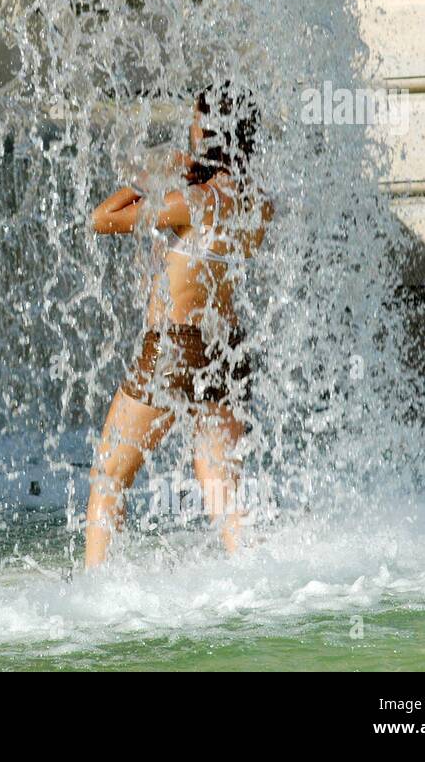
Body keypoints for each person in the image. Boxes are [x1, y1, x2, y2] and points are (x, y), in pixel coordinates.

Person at [85, 85, 274, 568]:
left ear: (208, 132)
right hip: (225, 347)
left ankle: (93, 586)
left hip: (173, 346)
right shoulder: (258, 203)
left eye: (196, 120)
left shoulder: (194, 201)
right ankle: (252, 572)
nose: (190, 127)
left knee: (110, 476)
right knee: (221, 485)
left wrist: (155, 180)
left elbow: (103, 219)